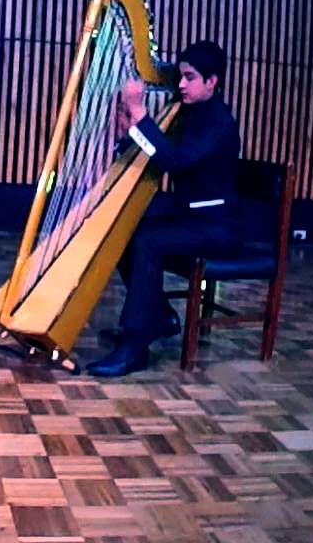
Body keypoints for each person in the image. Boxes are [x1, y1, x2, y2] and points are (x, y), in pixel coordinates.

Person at [86, 40, 242, 377]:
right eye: (180, 77)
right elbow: (156, 149)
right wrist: (126, 133)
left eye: (190, 77)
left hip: (218, 226)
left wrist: (140, 113)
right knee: (126, 233)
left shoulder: (219, 123)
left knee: (148, 241)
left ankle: (135, 345)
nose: (181, 84)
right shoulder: (187, 111)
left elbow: (174, 160)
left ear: (212, 82)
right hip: (191, 216)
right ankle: (157, 315)